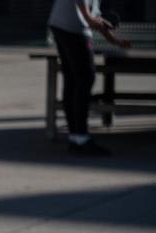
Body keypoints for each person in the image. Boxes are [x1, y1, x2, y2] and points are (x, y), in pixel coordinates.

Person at [48, 0, 130, 155]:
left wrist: (113, 39)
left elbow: (94, 12)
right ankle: (81, 139)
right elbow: (87, 12)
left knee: (73, 80)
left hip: (61, 25)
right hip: (72, 28)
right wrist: (88, 18)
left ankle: (75, 138)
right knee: (85, 78)